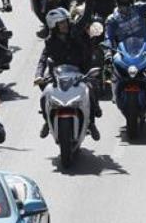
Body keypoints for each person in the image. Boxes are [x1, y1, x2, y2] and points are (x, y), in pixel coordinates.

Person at [34, 8, 101, 140]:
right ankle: (47, 121)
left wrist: (89, 0)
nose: (64, 25)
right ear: (54, 26)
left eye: (65, 22)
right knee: (44, 95)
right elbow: (43, 59)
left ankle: (91, 123)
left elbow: (86, 17)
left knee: (91, 88)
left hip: (78, 71)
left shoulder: (75, 33)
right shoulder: (50, 41)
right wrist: (38, 76)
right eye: (61, 23)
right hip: (58, 74)